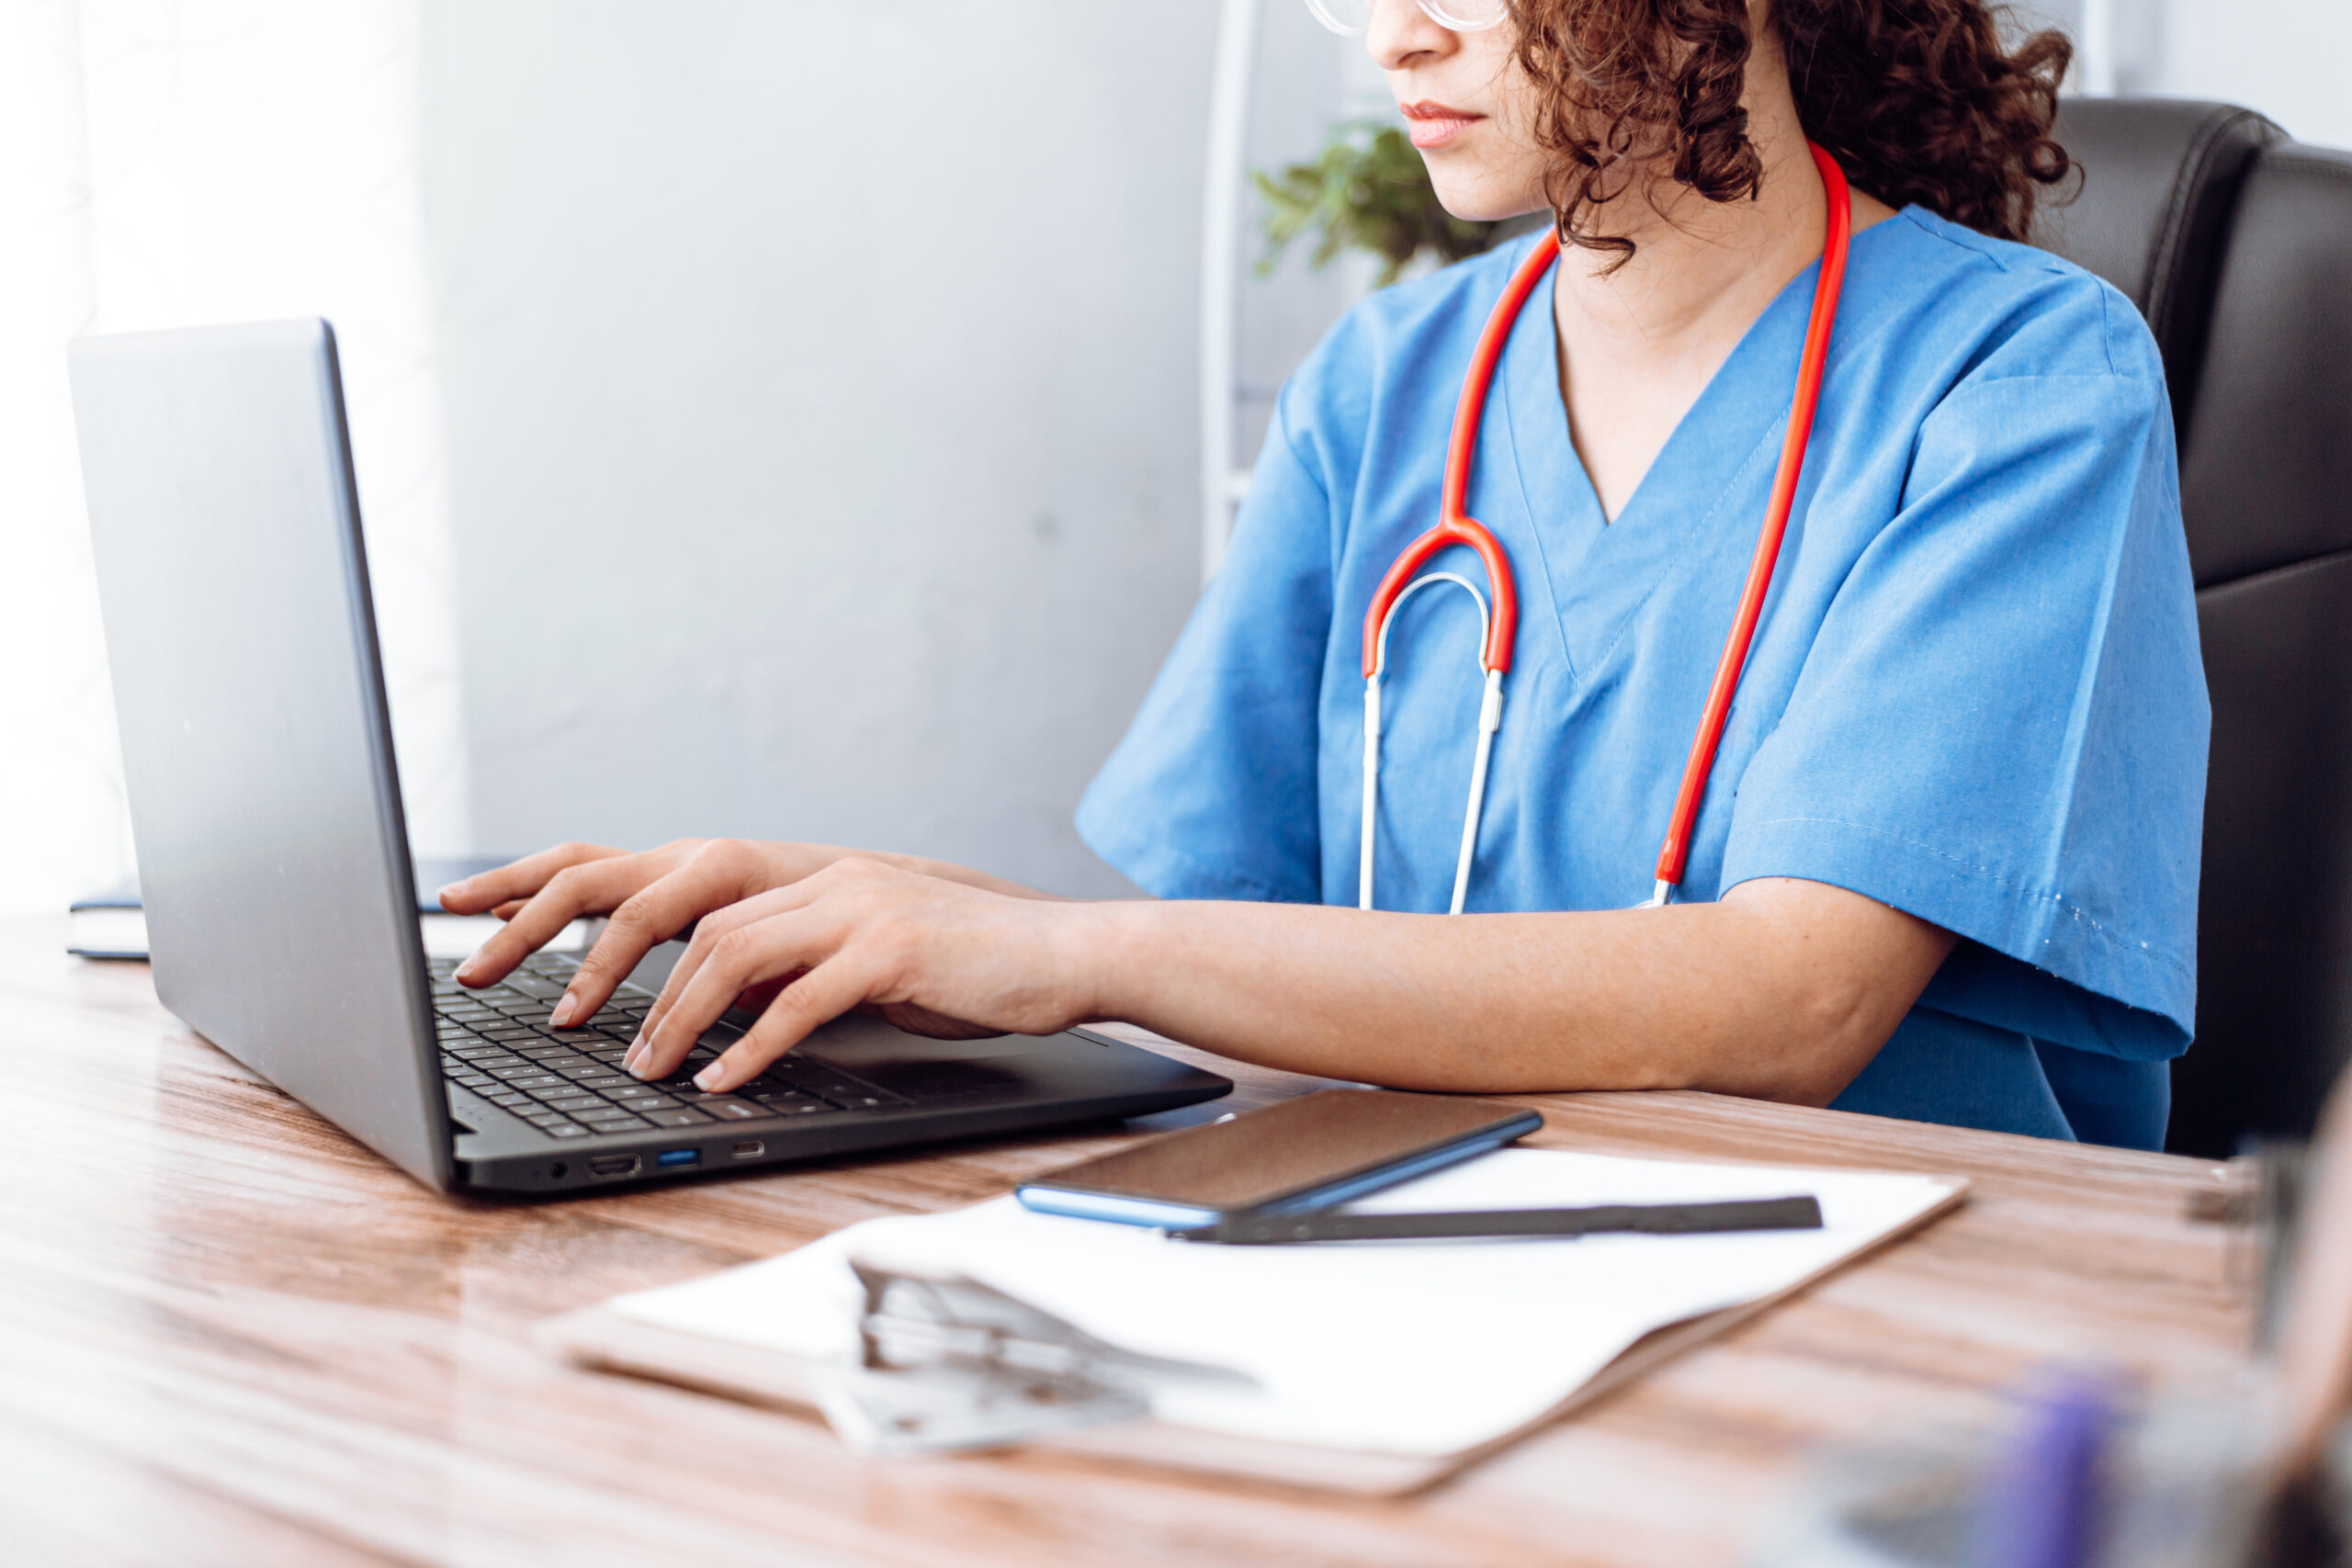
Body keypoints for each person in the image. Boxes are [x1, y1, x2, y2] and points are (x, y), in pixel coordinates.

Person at [440, 0, 2207, 1148]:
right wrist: (861, 900)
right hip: (1430, 1261)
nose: (1390, 33)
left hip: (1900, 1328)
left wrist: (1063, 952)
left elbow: (1791, 1003)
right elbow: (1230, 942)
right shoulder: (1386, 383)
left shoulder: (2022, 381)